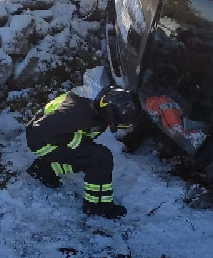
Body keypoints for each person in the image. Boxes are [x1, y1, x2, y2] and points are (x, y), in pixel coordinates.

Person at [25, 85, 138, 219]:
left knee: (91, 156)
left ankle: (45, 170)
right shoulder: (76, 114)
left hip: (51, 139)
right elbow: (40, 129)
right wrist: (77, 142)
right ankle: (95, 206)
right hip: (43, 143)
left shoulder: (96, 111)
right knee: (100, 158)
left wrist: (80, 144)